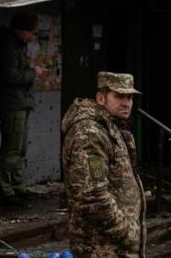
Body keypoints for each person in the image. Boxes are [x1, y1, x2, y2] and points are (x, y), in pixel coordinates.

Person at [61, 72, 146, 257]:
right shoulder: (90, 133)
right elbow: (92, 195)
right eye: (119, 96)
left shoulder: (111, 127)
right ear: (101, 98)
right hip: (101, 247)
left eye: (130, 97)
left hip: (114, 246)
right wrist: (127, 233)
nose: (126, 103)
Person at [0, 11, 44, 207]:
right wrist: (31, 73)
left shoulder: (15, 44)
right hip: (11, 103)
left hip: (18, 102)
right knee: (11, 148)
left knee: (19, 147)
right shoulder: (8, 46)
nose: (31, 36)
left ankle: (16, 186)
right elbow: (9, 77)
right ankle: (6, 191)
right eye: (30, 32)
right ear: (20, 31)